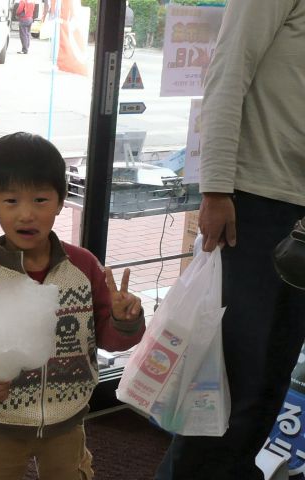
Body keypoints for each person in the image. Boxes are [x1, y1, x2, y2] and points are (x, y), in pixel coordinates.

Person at [155, 1, 305, 479]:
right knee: (231, 381)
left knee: (271, 376)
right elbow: (227, 72)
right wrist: (216, 189)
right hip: (259, 201)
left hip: (294, 205)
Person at [0, 132, 145, 479]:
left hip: (67, 419)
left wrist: (123, 320)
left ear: (60, 201)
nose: (27, 214)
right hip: (2, 422)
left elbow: (109, 340)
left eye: (40, 199)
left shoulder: (83, 269)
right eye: (11, 201)